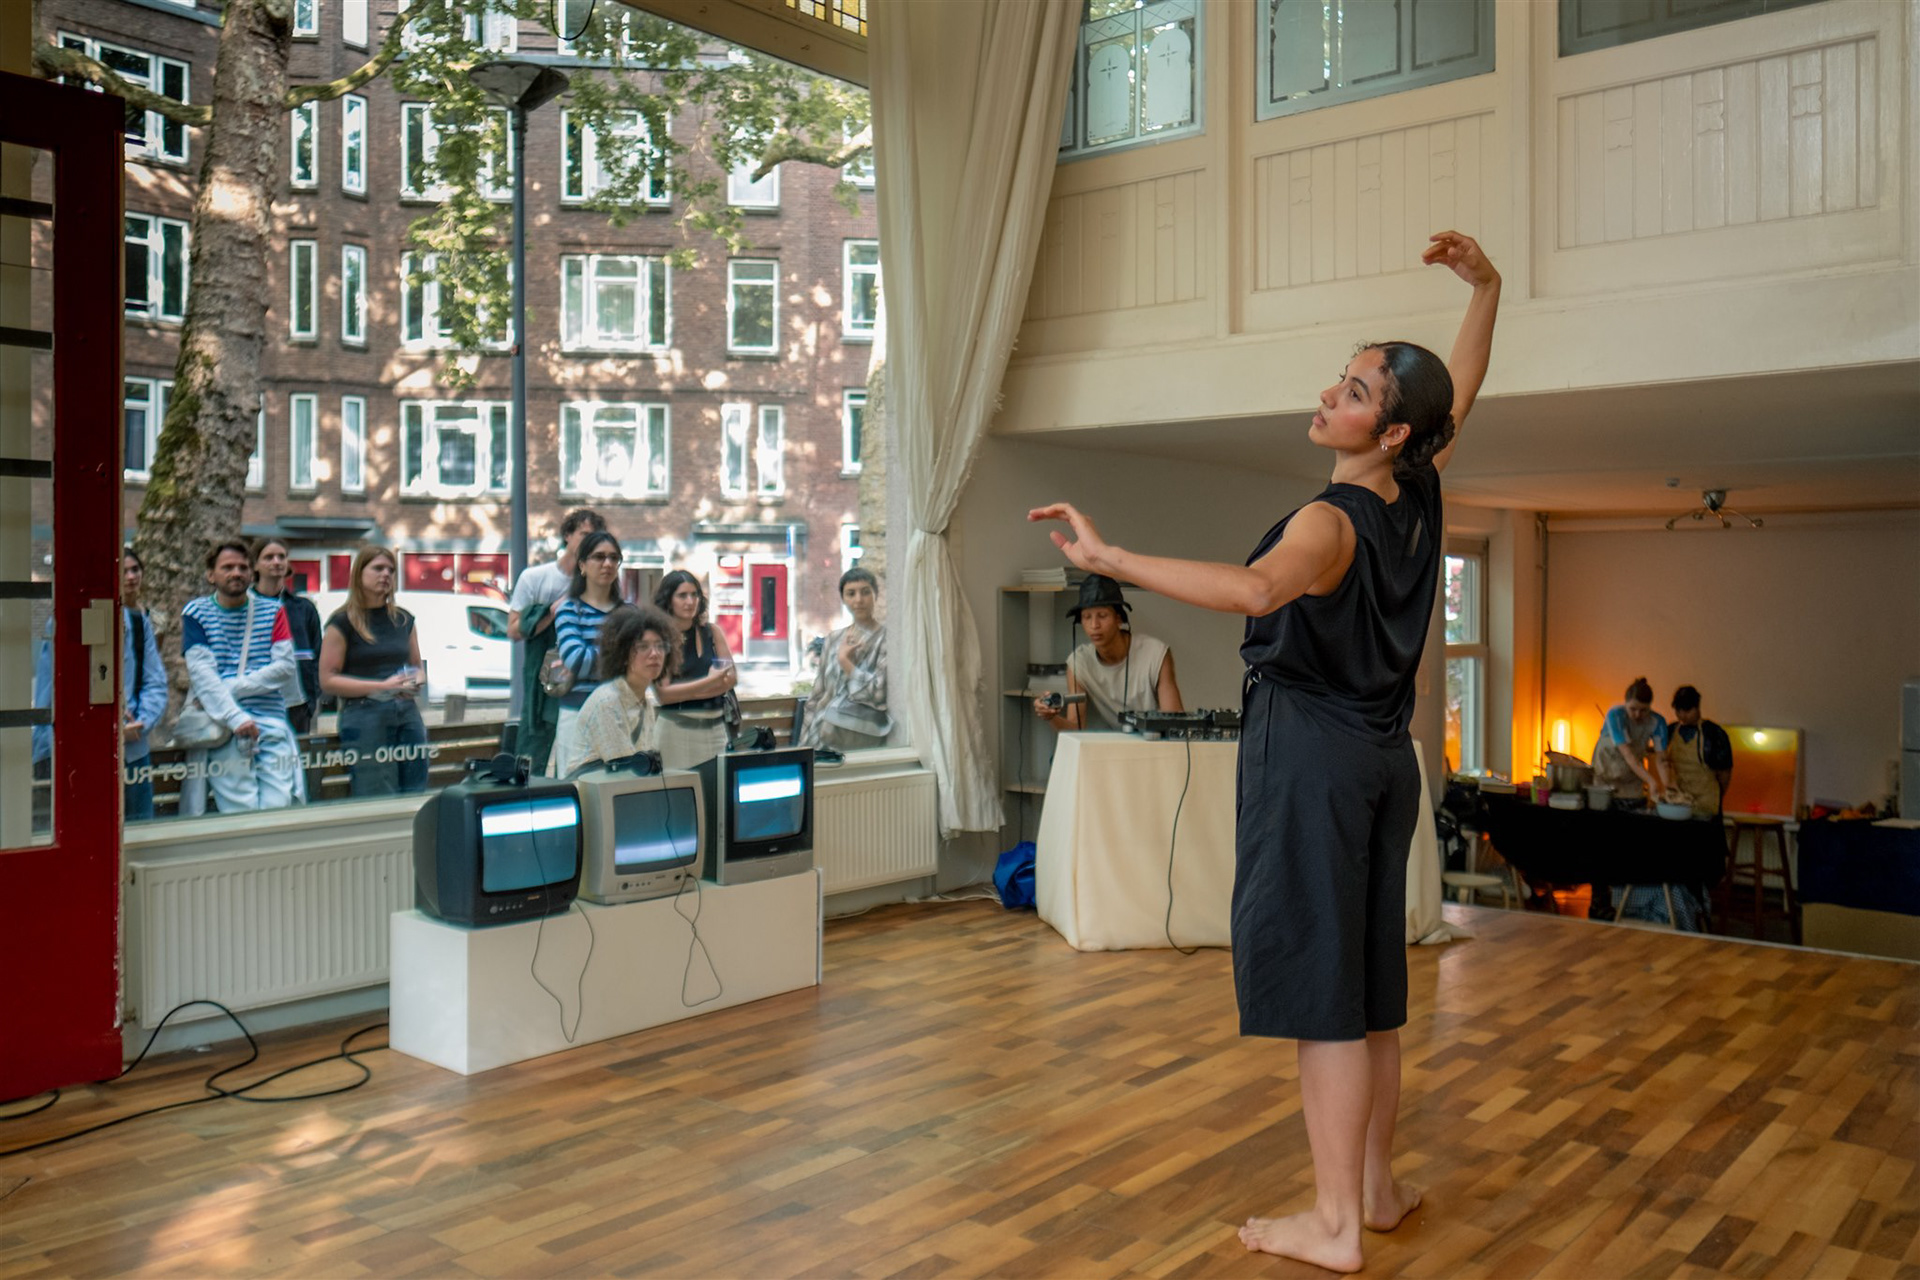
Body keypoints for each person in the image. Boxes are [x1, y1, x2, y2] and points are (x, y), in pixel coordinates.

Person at [1031, 229, 1500, 1272]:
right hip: (1383, 762)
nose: (1330, 394)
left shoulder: (1331, 522)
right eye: (1341, 378)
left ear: (1391, 430)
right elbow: (1457, 396)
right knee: (1370, 991)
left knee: (1323, 998)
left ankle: (1333, 1224)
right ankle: (1372, 1191)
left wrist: (1110, 557)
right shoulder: (1417, 490)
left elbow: (1254, 591)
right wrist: (1486, 290)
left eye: (1355, 390)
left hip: (1314, 763)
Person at [28, 548, 170, 820]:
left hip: (132, 753)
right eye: (122, 571)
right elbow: (49, 692)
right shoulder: (60, 622)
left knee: (139, 830)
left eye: (134, 569)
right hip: (76, 755)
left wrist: (141, 723)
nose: (130, 577)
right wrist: (51, 748)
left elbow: (156, 683)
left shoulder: (138, 622)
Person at [182, 539, 301, 812]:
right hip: (223, 727)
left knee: (278, 807)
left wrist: (230, 686)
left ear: (251, 572)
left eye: (243, 567)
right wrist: (236, 717)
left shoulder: (273, 611)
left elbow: (285, 667)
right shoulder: (196, 613)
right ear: (211, 575)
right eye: (227, 567)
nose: (236, 573)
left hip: (270, 722)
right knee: (240, 811)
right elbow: (201, 673)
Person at [319, 546, 429, 797]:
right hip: (364, 714)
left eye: (391, 570)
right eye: (378, 568)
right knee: (378, 794)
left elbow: (418, 667)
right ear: (359, 573)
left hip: (407, 712)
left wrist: (416, 680)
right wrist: (382, 686)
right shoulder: (342, 622)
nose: (386, 575)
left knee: (416, 790)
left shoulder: (403, 619)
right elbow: (327, 680)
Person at [508, 508, 605, 774]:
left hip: (583, 684)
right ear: (567, 535)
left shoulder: (600, 583)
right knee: (532, 758)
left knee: (577, 764)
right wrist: (552, 612)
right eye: (584, 534)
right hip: (544, 680)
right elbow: (513, 630)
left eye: (594, 537)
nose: (589, 541)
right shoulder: (535, 577)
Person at [1033, 573, 1182, 732]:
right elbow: (1076, 729)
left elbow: (1175, 723)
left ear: (1119, 619)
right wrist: (1050, 717)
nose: (1094, 625)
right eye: (1086, 617)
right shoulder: (1079, 663)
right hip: (1111, 743)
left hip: (1156, 739)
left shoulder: (1155, 654)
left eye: (1102, 616)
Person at [552, 604, 679, 777]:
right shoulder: (608, 702)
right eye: (643, 647)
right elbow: (626, 771)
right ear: (624, 654)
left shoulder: (646, 701)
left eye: (660, 646)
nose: (655, 654)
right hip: (592, 790)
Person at [548, 530, 624, 775]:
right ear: (582, 565)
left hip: (620, 714)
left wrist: (596, 657)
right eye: (599, 557)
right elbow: (577, 660)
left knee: (617, 787)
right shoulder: (569, 610)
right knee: (576, 787)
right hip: (576, 714)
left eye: (614, 558)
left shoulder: (629, 613)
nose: (607, 563)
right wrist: (619, 653)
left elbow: (639, 665)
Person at [652, 569, 739, 770]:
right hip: (676, 731)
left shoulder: (712, 632)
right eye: (682, 596)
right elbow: (664, 695)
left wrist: (683, 692)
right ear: (668, 600)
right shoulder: (659, 638)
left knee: (717, 787)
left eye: (695, 595)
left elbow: (731, 678)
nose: (690, 601)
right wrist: (711, 682)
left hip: (716, 730)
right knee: (680, 788)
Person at [800, 567, 893, 751]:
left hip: (853, 739)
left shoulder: (885, 640)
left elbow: (878, 694)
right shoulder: (834, 639)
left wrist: (846, 663)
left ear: (875, 595)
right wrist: (804, 743)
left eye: (865, 592)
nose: (858, 600)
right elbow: (818, 693)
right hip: (818, 735)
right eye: (851, 593)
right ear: (843, 599)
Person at [250, 537, 322, 735]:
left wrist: (311, 700)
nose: (276, 562)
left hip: (297, 705)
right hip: (256, 704)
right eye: (269, 557)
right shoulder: (246, 607)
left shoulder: (304, 608)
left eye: (281, 557)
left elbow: (317, 655)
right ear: (255, 564)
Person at [1593, 677, 1676, 807]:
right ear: (1625, 703)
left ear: (1650, 706)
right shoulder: (1615, 715)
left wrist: (1667, 786)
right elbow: (1628, 754)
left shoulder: (1657, 722)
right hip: (1605, 775)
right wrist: (1651, 781)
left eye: (1643, 710)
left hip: (1633, 775)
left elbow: (1661, 758)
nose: (1637, 714)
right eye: (1633, 709)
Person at [1669, 685, 1733, 817]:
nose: (1682, 715)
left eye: (1687, 710)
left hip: (1706, 804)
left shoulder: (1714, 733)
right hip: (1679, 803)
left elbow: (1725, 773)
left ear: (1697, 708)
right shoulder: (1670, 730)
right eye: (1679, 711)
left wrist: (1719, 796)